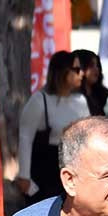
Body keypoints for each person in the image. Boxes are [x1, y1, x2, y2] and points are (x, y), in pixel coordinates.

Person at [17, 51, 91, 203]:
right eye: (76, 70)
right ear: (63, 72)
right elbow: (25, 137)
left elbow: (88, 133)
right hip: (45, 170)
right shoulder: (40, 100)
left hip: (74, 165)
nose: (81, 73)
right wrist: (24, 176)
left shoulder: (80, 100)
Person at [73, 49, 108, 117]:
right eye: (91, 65)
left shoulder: (104, 94)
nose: (96, 69)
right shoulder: (73, 97)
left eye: (97, 65)